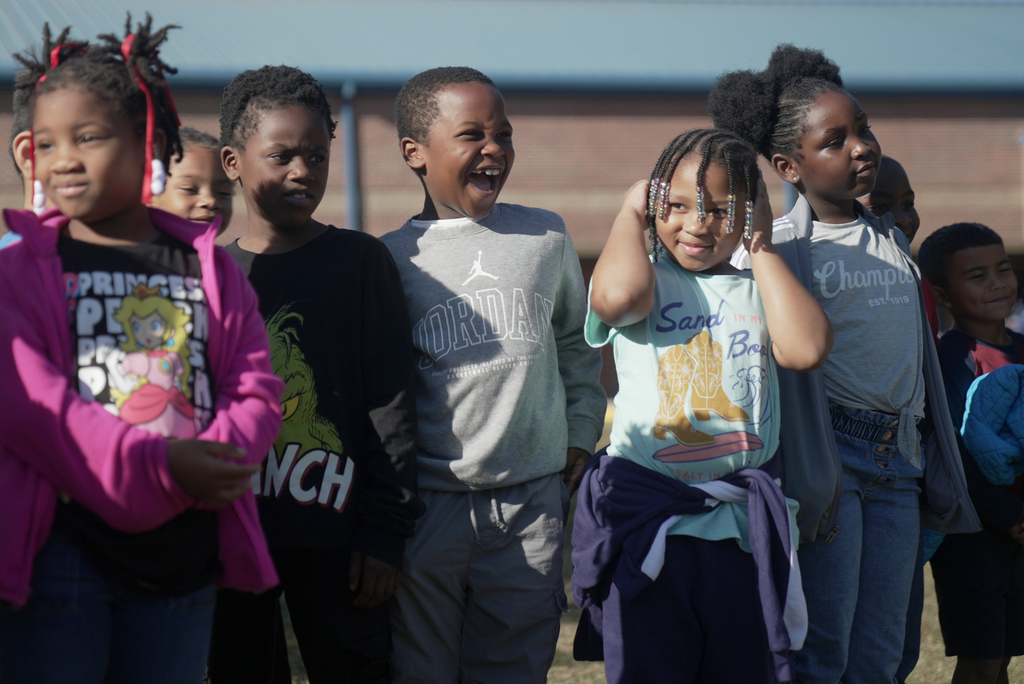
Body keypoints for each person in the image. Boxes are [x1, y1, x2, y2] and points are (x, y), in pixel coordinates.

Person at [0, 17, 283, 684]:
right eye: (47, 143)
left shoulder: (207, 266)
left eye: (88, 137)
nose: (63, 158)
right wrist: (162, 468)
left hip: (184, 555)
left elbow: (255, 386)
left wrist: (222, 456)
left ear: (148, 137)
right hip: (61, 552)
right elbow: (32, 407)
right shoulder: (22, 270)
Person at [709, 44, 979, 684]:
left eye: (863, 129)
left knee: (884, 650)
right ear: (788, 166)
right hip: (829, 461)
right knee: (822, 647)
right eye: (835, 140)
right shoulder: (780, 253)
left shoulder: (893, 240)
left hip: (901, 462)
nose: (861, 147)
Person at [571, 128, 831, 683]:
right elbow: (615, 299)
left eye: (720, 209)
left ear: (747, 215)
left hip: (741, 531)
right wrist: (627, 213)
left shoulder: (758, 284)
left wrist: (760, 245)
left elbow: (806, 349)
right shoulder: (645, 281)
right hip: (648, 523)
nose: (696, 223)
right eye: (678, 205)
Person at [380, 66, 606, 684]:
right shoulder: (392, 259)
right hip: (432, 508)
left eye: (503, 134)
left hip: (532, 501)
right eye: (472, 134)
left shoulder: (545, 235)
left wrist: (581, 431)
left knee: (513, 665)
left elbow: (575, 341)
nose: (494, 150)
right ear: (415, 153)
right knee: (422, 669)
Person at [206, 65, 423, 684]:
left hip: (340, 543)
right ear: (233, 161)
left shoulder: (360, 262)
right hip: (233, 538)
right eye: (281, 156)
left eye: (318, 156)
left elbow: (391, 404)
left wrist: (384, 534)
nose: (303, 171)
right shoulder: (209, 276)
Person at [918, 223, 1024, 684]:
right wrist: (1011, 516)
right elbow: (954, 451)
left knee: (1007, 654)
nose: (997, 283)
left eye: (1003, 269)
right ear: (942, 295)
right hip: (973, 532)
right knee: (982, 659)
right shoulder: (944, 361)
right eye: (977, 276)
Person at [858, 154, 933, 683]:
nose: (904, 218)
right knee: (835, 636)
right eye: (882, 206)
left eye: (908, 203)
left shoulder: (911, 276)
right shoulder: (801, 258)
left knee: (894, 637)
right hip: (839, 459)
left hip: (907, 462)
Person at [150, 127, 234, 234]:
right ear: (151, 195)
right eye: (189, 189)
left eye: (224, 192)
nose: (211, 201)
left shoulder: (220, 251)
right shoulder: (129, 250)